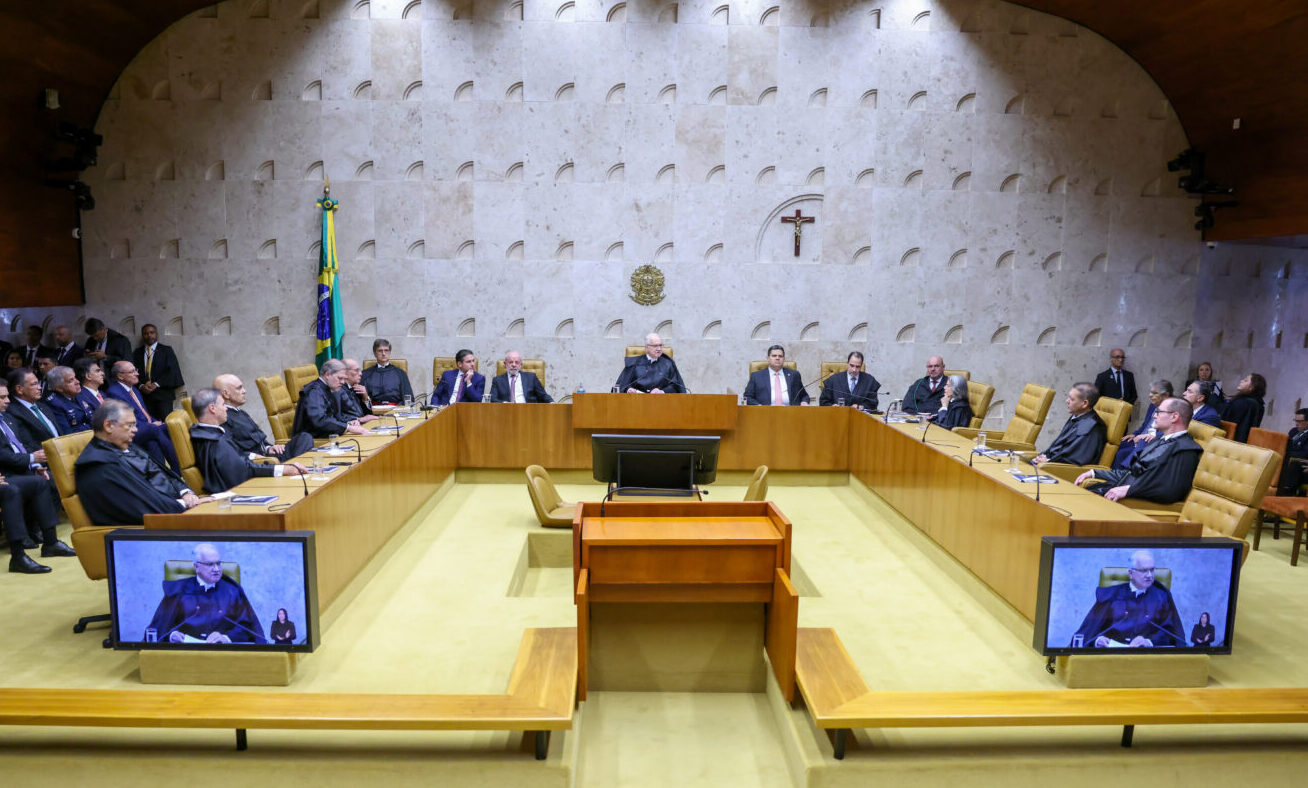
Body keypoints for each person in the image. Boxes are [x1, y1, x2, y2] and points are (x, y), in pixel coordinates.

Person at [74, 399, 208, 525]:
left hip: (175, 511)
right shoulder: (97, 466)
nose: (136, 430)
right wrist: (184, 504)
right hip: (154, 529)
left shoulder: (127, 445)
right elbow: (141, 509)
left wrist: (185, 493)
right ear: (108, 426)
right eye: (130, 425)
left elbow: (165, 475)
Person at [0, 380, 76, 572]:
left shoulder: (7, 418)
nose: (7, 401)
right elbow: (2, 455)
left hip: (14, 471)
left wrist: (34, 465)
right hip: (6, 474)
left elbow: (21, 445)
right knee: (11, 490)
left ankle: (51, 542)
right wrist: (31, 458)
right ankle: (18, 556)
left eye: (6, 396)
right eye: (2, 398)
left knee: (39, 482)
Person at [1077, 397, 1203, 504]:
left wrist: (1129, 490)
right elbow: (1131, 474)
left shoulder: (1186, 450)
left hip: (1135, 503)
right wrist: (1095, 473)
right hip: (1117, 492)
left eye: (1158, 412)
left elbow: (1170, 491)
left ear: (1174, 416)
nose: (1154, 415)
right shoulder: (1157, 441)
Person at [188, 388, 306, 493]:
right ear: (212, 408)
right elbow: (244, 470)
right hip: (238, 492)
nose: (226, 409)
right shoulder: (214, 440)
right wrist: (284, 469)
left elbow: (240, 461)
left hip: (245, 483)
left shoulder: (204, 433)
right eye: (223, 405)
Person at [145, 543, 266, 644]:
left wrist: (225, 638)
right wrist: (172, 635)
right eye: (210, 564)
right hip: (184, 653)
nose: (216, 569)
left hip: (222, 653)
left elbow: (248, 627)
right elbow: (159, 626)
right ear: (196, 567)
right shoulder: (178, 590)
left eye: (218, 563)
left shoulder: (232, 591)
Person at [1072, 550, 1184, 648]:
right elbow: (1089, 630)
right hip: (1110, 656)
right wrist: (1098, 640)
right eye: (1144, 570)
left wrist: (1148, 642)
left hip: (1146, 657)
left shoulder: (1161, 597)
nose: (1150, 575)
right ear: (1131, 573)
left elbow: (1170, 633)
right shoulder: (1111, 595)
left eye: (1152, 570)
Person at [103, 360, 182, 471]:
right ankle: (178, 468)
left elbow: (144, 413)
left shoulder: (134, 389)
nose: (137, 374)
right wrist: (152, 425)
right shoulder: (114, 392)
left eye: (136, 370)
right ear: (120, 376)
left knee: (162, 433)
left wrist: (155, 422)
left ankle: (165, 473)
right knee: (155, 430)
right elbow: (126, 420)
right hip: (130, 432)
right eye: (132, 372)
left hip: (146, 428)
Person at [213, 374, 314, 460]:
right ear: (226, 394)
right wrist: (254, 456)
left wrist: (269, 448)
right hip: (259, 463)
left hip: (269, 455)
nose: (244, 391)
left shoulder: (240, 412)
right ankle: (292, 467)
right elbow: (231, 450)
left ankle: (294, 466)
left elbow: (258, 439)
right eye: (239, 388)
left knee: (305, 437)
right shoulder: (223, 418)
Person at [1033, 383, 1107, 466]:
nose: (1067, 401)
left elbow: (1074, 460)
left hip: (1062, 470)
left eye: (1072, 399)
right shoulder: (1077, 416)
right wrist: (1043, 456)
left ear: (1085, 403)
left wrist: (1048, 462)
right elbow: (1059, 445)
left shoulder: (1091, 428)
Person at [291, 359, 368, 438]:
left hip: (326, 437)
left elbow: (333, 416)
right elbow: (320, 420)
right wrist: (348, 427)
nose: (343, 382)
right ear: (327, 375)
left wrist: (350, 422)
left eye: (344, 379)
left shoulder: (328, 389)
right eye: (340, 378)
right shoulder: (314, 391)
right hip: (312, 441)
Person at [1113, 380, 1172, 470]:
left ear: (1166, 395)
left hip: (1151, 442)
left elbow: (1170, 431)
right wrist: (1134, 434)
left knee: (1122, 454)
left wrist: (1152, 436)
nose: (1150, 395)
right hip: (1140, 438)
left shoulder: (1172, 409)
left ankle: (1121, 475)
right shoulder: (1152, 406)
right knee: (1116, 446)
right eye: (1150, 392)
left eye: (1155, 393)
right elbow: (1145, 425)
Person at [132, 323, 184, 422]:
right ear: (143, 336)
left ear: (157, 334)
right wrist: (141, 386)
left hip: (163, 395)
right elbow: (132, 372)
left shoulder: (166, 350)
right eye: (146, 333)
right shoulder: (137, 352)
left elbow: (173, 371)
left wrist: (156, 384)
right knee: (149, 423)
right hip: (145, 397)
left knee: (167, 423)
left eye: (152, 332)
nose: (149, 335)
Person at [4, 368, 62, 449]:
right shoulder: (12, 412)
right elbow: (28, 444)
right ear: (19, 389)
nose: (40, 387)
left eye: (38, 383)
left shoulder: (43, 406)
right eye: (34, 384)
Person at [615, 334, 687, 394]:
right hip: (636, 402)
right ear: (647, 347)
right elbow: (622, 385)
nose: (659, 349)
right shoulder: (634, 363)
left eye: (660, 345)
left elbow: (675, 386)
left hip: (661, 402)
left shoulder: (668, 363)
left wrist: (662, 391)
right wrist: (629, 390)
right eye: (655, 346)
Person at [744, 345, 809, 406]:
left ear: (784, 359)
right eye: (774, 356)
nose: (777, 358)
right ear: (768, 358)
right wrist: (760, 407)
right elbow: (747, 397)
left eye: (780, 356)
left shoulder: (794, 375)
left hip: (790, 412)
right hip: (765, 412)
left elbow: (804, 395)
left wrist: (804, 402)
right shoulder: (757, 376)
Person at [360, 339, 413, 406]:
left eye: (386, 350)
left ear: (390, 352)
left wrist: (395, 409)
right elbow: (359, 401)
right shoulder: (365, 374)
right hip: (372, 410)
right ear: (374, 353)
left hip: (396, 410)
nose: (383, 354)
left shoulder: (400, 373)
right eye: (380, 351)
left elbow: (408, 399)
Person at [43, 366, 95, 434]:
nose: (77, 382)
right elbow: (68, 433)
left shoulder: (80, 394)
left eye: (75, 378)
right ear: (59, 388)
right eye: (71, 381)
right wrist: (92, 427)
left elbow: (96, 416)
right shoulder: (54, 404)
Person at [1223, 373, 1266, 442]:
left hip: (1231, 441)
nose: (1241, 381)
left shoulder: (1244, 403)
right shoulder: (1259, 404)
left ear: (1252, 387)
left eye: (1246, 380)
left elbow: (1228, 424)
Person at [1276, 408, 1308, 496]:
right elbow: (1284, 446)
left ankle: (1286, 494)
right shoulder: (1293, 431)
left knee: (1293, 465)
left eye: (1299, 421)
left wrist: (1286, 454)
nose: (1296, 424)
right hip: (1289, 461)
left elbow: (1304, 454)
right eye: (1295, 420)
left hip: (1301, 466)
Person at [338, 358, 379, 423]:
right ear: (345, 373)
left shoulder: (357, 388)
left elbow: (368, 414)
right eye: (356, 370)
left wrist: (365, 398)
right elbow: (337, 417)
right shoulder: (338, 390)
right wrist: (360, 419)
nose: (360, 373)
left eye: (360, 370)